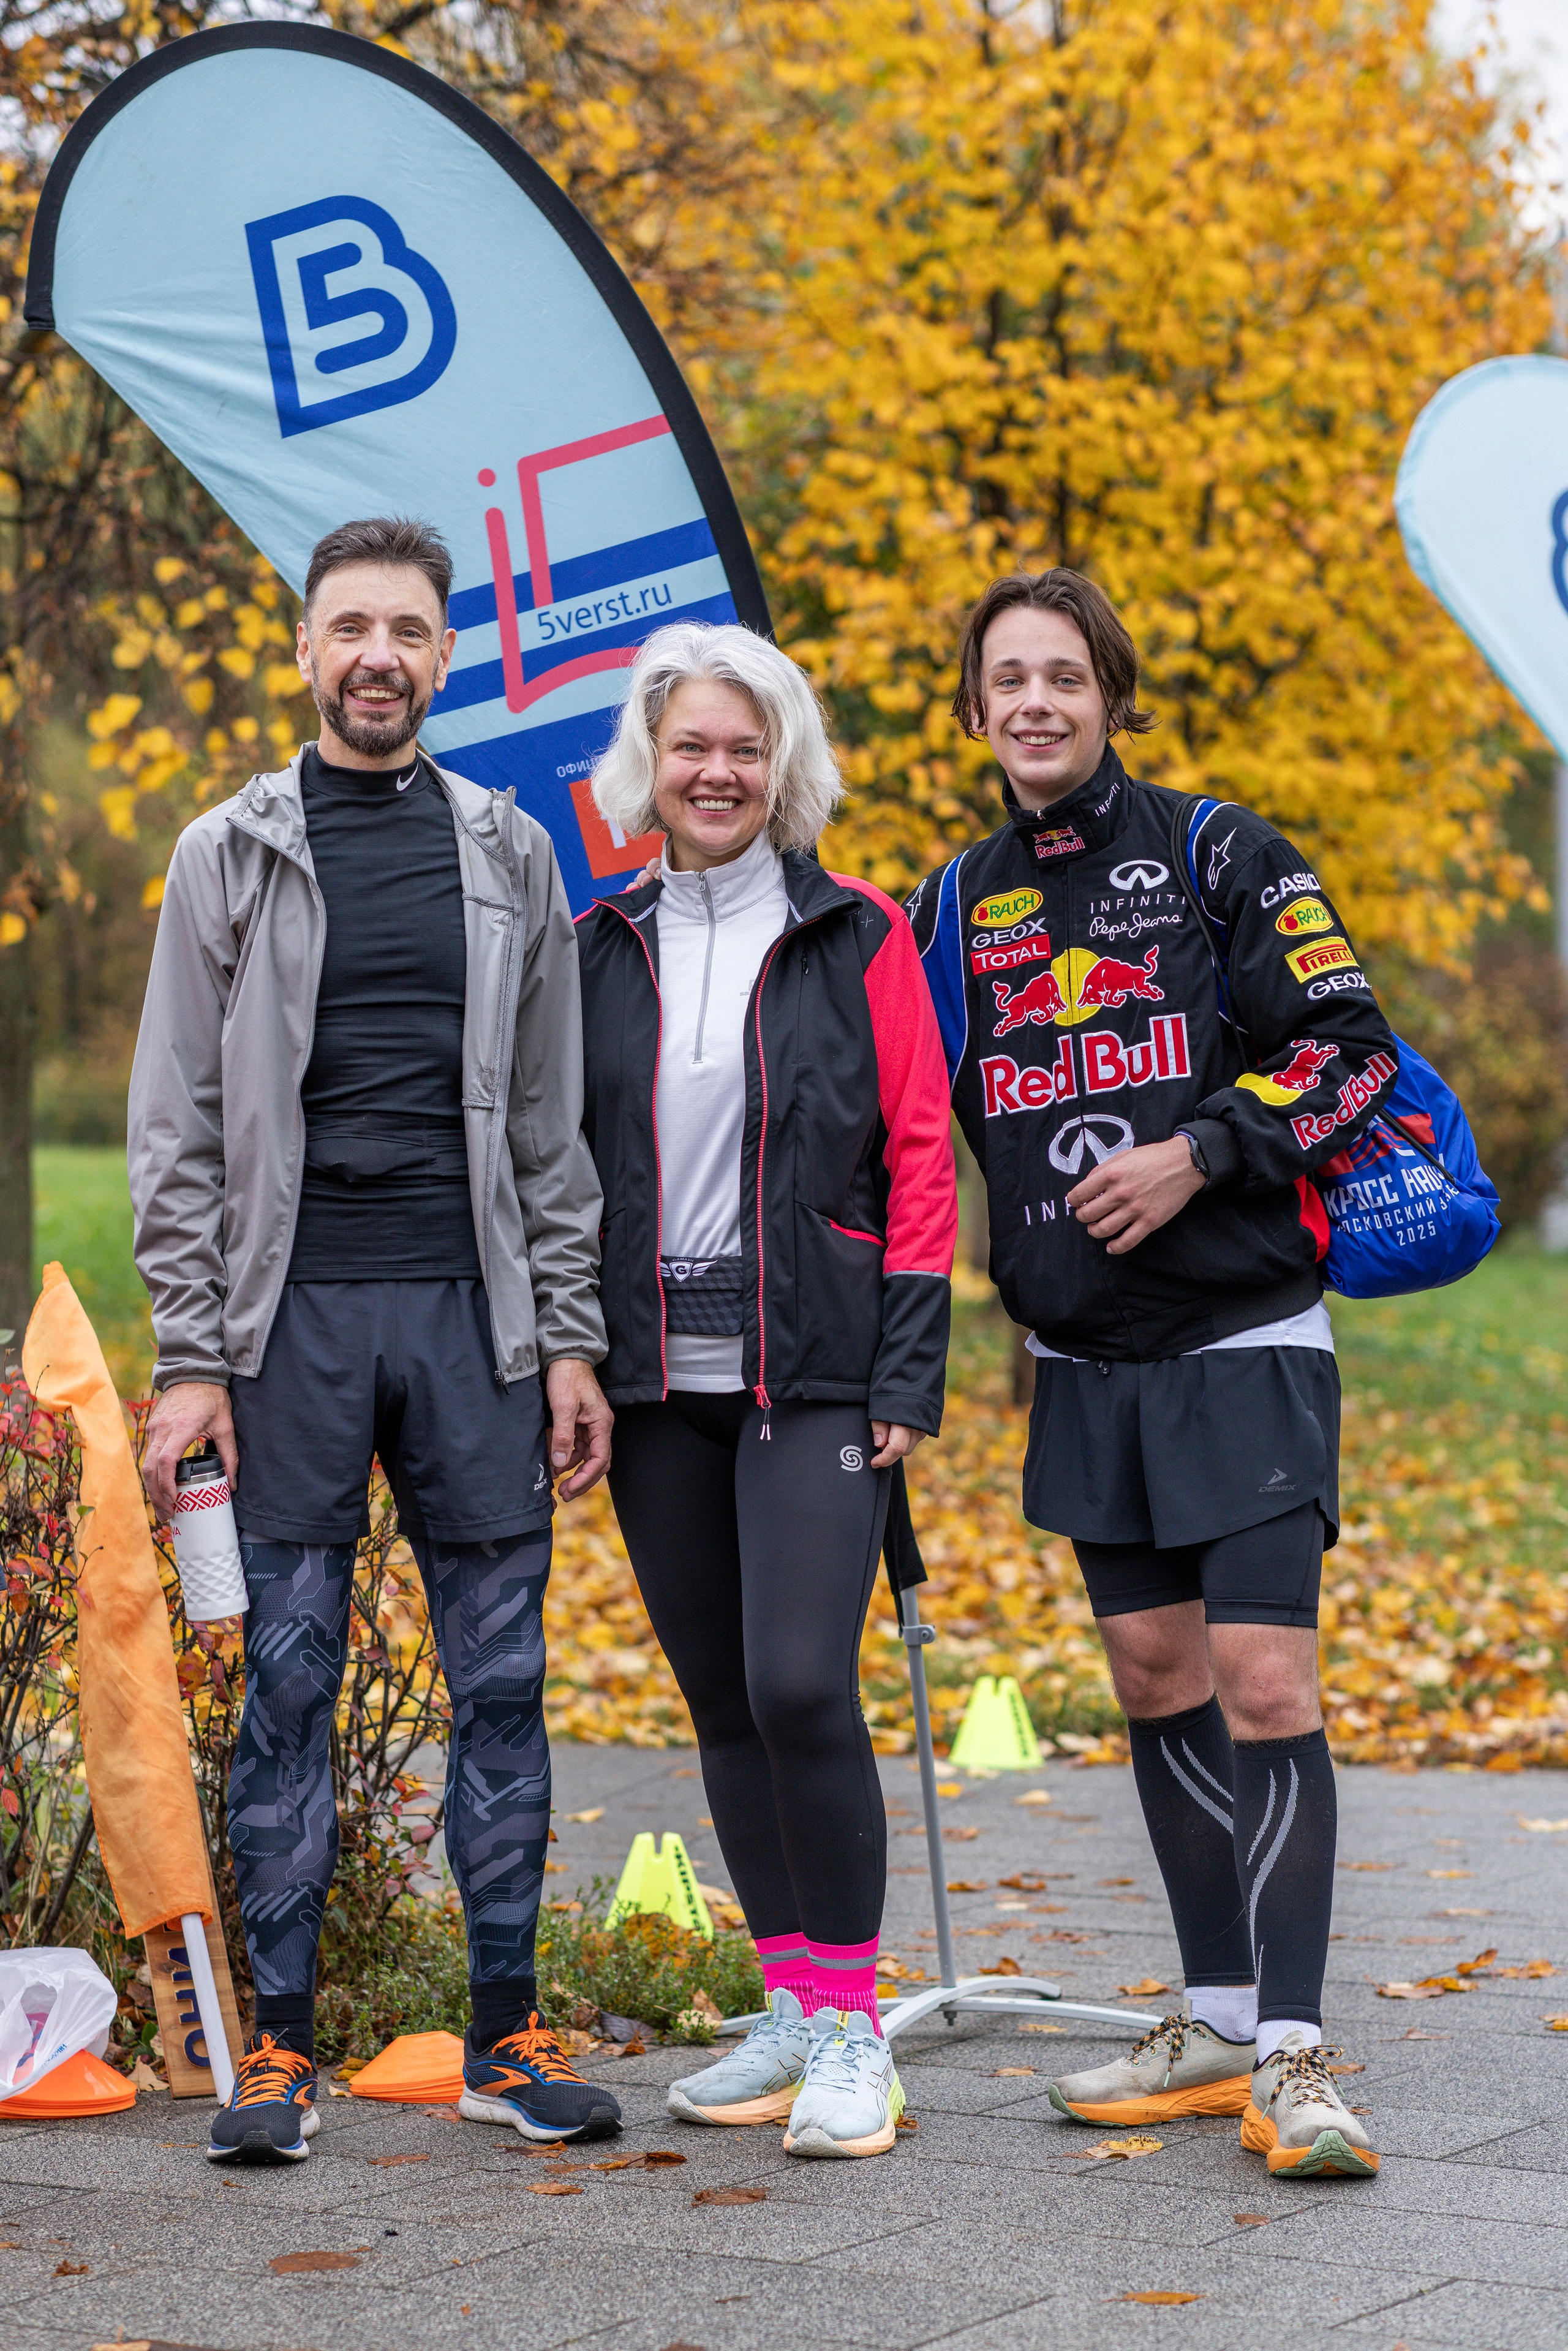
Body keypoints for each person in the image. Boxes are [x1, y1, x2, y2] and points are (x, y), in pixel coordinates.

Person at [130, 516, 621, 2162]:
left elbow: (552, 1130)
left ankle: (505, 2031)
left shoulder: (510, 850)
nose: (378, 656)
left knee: (505, 1680)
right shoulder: (228, 852)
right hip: (291, 1330)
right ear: (305, 650)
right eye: (350, 626)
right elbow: (177, 1122)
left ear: (443, 653)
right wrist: (190, 1350)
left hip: (476, 1324)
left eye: (408, 629)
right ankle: (276, 2048)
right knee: (287, 1692)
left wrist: (568, 1335)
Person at [907, 569, 1396, 2180]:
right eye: (1008, 680)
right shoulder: (942, 907)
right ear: (974, 712)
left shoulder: (1220, 852)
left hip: (1243, 1342)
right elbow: (887, 1115)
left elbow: (1351, 1049)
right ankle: (1213, 2009)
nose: (1036, 701)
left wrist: (1202, 1150)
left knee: (1266, 1682)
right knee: (1150, 1677)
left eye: (1067, 675)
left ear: (1114, 696)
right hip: (1080, 1361)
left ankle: (1299, 2053)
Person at [575, 621, 956, 2157]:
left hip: (814, 1366)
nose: (717, 770)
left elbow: (922, 1153)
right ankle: (792, 2004)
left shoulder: (857, 931)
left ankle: (859, 2033)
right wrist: (569, 1358)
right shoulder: (600, 941)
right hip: (652, 1373)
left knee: (801, 1680)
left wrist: (907, 1368)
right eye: (691, 746)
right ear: (648, 766)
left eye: (744, 746)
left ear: (781, 764)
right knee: (721, 1696)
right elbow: (564, 1158)